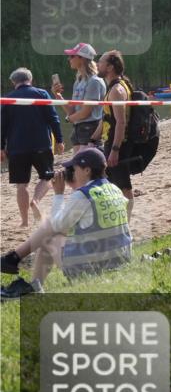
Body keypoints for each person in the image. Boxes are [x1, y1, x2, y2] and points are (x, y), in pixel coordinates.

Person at [0, 147, 130, 300]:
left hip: (92, 268)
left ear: (87, 170)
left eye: (74, 169)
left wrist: (59, 194)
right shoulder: (114, 189)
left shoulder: (83, 196)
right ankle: (15, 261)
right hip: (120, 260)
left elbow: (56, 226)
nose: (72, 173)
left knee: (48, 239)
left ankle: (26, 276)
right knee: (55, 234)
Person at [0, 68, 64, 227]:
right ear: (30, 79)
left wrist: (1, 147)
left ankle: (24, 221)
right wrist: (60, 140)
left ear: (13, 82)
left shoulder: (7, 99)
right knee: (47, 176)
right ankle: (35, 201)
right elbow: (54, 119)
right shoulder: (42, 94)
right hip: (41, 143)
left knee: (21, 184)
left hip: (17, 147)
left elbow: (2, 125)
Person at [93, 50, 138, 219]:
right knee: (112, 183)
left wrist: (115, 149)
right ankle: (119, 218)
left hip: (118, 143)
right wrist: (92, 139)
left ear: (110, 67)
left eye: (101, 62)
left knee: (123, 185)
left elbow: (121, 122)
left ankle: (125, 221)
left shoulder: (117, 90)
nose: (98, 65)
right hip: (110, 141)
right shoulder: (112, 88)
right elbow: (107, 118)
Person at [52, 42, 106, 153]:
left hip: (90, 129)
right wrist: (58, 96)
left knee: (85, 166)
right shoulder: (79, 81)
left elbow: (86, 112)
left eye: (72, 56)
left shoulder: (94, 81)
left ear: (82, 58)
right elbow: (72, 110)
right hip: (79, 128)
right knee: (78, 165)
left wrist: (69, 119)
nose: (69, 59)